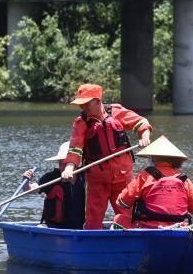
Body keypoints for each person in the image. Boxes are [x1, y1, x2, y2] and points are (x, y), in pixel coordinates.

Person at [60, 83, 153, 230]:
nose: (82, 108)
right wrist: (69, 167)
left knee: (126, 215)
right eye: (81, 104)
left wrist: (145, 135)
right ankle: (92, 245)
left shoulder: (116, 111)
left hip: (123, 177)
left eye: (85, 104)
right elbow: (75, 148)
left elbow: (141, 122)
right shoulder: (81, 122)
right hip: (97, 179)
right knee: (93, 218)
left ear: (97, 101)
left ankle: (130, 244)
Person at [113, 135, 193, 229]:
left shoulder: (145, 176)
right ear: (176, 161)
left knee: (119, 218)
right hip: (179, 229)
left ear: (153, 159)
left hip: (149, 229)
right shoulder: (184, 180)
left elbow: (122, 202)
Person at [23, 141, 86, 229]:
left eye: (65, 164)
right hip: (56, 227)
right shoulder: (51, 177)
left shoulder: (86, 176)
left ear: (75, 163)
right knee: (41, 228)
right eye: (60, 163)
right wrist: (26, 181)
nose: (61, 167)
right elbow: (30, 189)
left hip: (82, 226)